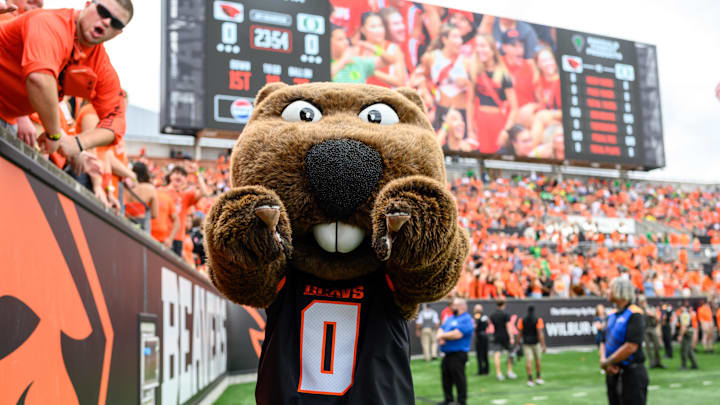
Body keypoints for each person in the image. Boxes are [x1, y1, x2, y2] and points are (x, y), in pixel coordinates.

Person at [0, 0, 133, 161]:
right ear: (88, 4)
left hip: (8, 119)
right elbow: (39, 79)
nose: (106, 22)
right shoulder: (49, 22)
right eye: (103, 12)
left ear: (118, 32)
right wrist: (55, 134)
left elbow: (116, 123)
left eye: (116, 22)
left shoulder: (101, 65)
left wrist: (77, 143)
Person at [466, 33, 517, 154]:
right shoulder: (474, 71)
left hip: (498, 122)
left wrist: (506, 130)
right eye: (477, 46)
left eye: (483, 46)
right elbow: (470, 101)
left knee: (497, 156)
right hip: (480, 121)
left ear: (492, 49)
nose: (479, 50)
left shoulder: (504, 74)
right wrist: (470, 129)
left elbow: (514, 107)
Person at [601, 277, 648, 405]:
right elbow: (603, 340)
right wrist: (604, 362)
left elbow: (631, 346)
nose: (607, 291)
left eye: (610, 287)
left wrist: (607, 362)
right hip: (613, 373)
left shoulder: (635, 313)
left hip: (632, 374)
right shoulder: (611, 314)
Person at [419, 23, 470, 133]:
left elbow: (472, 88)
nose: (460, 41)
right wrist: (427, 95)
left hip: (461, 112)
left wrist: (465, 83)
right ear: (445, 39)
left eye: (460, 37)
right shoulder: (431, 57)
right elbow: (422, 77)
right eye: (455, 37)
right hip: (440, 110)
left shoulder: (466, 61)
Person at [164, 165, 210, 256]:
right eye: (176, 173)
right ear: (170, 176)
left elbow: (204, 192)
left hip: (177, 237)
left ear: (185, 180)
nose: (179, 176)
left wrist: (197, 174)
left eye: (182, 175)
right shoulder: (162, 191)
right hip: (163, 235)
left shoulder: (185, 196)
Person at [437, 298, 474, 405]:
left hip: (458, 354)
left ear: (462, 306)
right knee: (446, 378)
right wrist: (441, 335)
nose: (452, 307)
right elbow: (441, 328)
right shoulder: (451, 318)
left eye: (455, 305)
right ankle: (448, 399)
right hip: (447, 354)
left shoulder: (466, 319)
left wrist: (442, 336)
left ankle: (462, 401)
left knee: (459, 378)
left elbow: (457, 334)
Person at [518, 305, 546, 386]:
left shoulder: (522, 320)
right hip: (536, 343)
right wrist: (543, 345)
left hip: (526, 343)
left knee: (528, 361)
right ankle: (538, 377)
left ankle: (530, 379)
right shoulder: (538, 320)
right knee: (537, 360)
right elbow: (540, 333)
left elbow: (520, 333)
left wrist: (518, 343)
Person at [490, 298, 517, 381]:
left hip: (496, 335)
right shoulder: (506, 314)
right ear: (504, 305)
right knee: (510, 353)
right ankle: (509, 371)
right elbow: (508, 327)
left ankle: (499, 373)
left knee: (497, 354)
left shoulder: (493, 314)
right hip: (505, 336)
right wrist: (511, 337)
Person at [125, 161, 158, 228]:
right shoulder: (151, 188)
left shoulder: (127, 187)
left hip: (125, 220)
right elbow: (154, 214)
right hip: (141, 222)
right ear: (146, 173)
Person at [637, 295, 665, 369]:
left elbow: (658, 319)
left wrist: (652, 314)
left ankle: (658, 362)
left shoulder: (651, 308)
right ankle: (652, 363)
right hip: (644, 329)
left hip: (652, 328)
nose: (642, 303)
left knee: (657, 345)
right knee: (648, 347)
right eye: (641, 302)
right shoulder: (639, 310)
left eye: (643, 301)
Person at [678, 302, 699, 369]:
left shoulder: (684, 314)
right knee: (689, 350)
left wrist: (680, 336)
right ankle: (694, 364)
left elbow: (684, 326)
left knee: (684, 349)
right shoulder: (686, 314)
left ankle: (684, 365)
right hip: (689, 331)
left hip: (687, 333)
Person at [473, 304, 490, 375]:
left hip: (479, 336)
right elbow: (487, 324)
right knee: (485, 353)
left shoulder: (477, 315)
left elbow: (475, 326)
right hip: (485, 336)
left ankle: (480, 370)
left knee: (479, 354)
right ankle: (486, 370)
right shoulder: (485, 316)